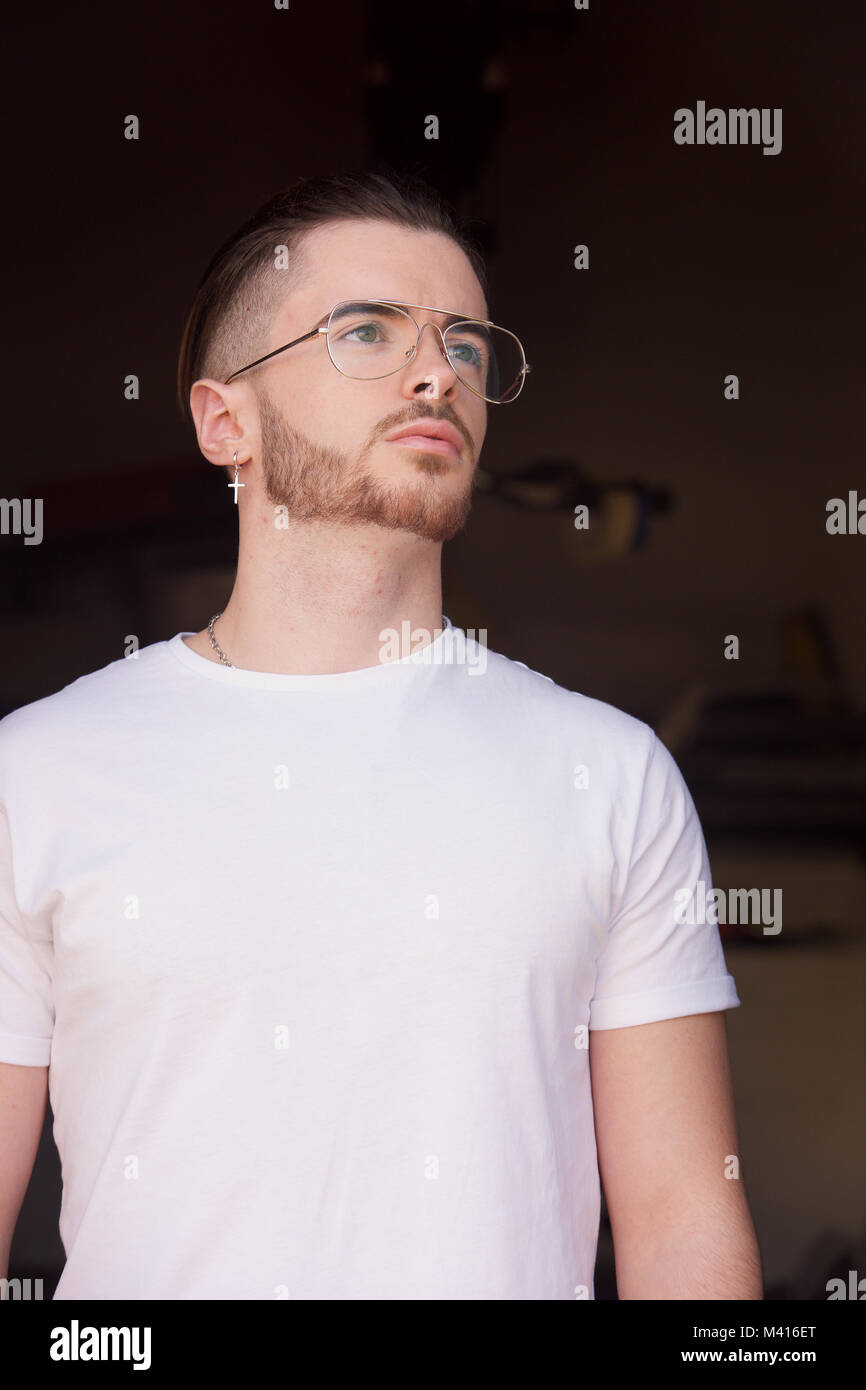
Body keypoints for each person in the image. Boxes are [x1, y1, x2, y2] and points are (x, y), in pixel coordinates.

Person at [0, 170, 762, 1300]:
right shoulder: (39, 772)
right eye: (366, 330)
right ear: (226, 423)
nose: (433, 371)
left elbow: (685, 1231)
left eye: (464, 344)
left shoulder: (607, 774)